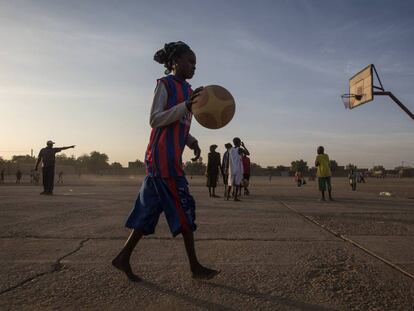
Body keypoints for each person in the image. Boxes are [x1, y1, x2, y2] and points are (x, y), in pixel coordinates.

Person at [112, 41, 219, 282]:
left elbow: (180, 123)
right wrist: (186, 105)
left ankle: (123, 258)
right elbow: (155, 119)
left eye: (196, 63)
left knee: (148, 212)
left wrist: (191, 141)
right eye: (190, 61)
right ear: (174, 62)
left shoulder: (191, 92)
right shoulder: (165, 85)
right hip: (163, 160)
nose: (194, 67)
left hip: (165, 161)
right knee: (184, 210)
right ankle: (195, 268)